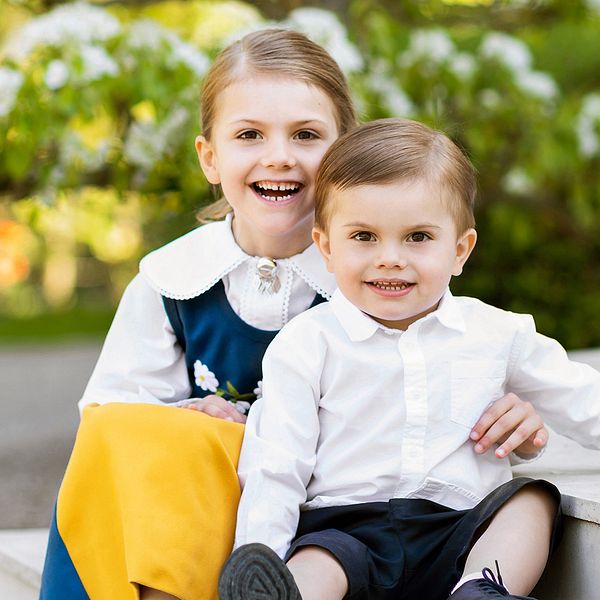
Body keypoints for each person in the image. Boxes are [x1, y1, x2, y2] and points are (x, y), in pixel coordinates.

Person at [40, 31, 549, 600]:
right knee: (141, 435)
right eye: (249, 134)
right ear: (210, 158)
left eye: (305, 135)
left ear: (343, 153)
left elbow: (446, 359)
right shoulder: (171, 279)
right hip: (208, 502)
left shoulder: (380, 273)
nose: (278, 155)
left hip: (337, 510)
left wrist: (507, 407)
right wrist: (189, 417)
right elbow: (110, 422)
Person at [219, 118, 600, 600]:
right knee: (316, 560)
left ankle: (483, 590)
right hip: (346, 531)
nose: (391, 258)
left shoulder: (497, 333)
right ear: (327, 247)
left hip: (459, 530)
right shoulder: (307, 343)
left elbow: (583, 401)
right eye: (364, 237)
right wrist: (261, 553)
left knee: (531, 502)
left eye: (418, 237)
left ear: (460, 250)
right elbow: (276, 466)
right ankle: (277, 595)